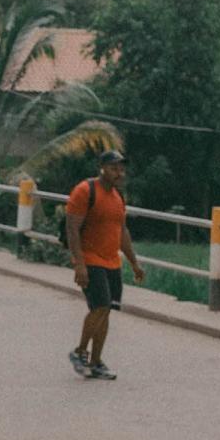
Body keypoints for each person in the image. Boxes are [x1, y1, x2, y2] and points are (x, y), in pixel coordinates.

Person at [62, 151, 144, 380]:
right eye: (113, 168)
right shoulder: (85, 191)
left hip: (112, 261)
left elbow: (122, 232)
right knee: (100, 306)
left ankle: (96, 362)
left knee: (106, 310)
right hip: (90, 259)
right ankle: (80, 351)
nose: (119, 173)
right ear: (102, 168)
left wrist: (134, 263)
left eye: (121, 168)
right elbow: (72, 229)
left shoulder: (118, 197)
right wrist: (79, 263)